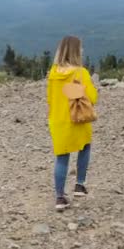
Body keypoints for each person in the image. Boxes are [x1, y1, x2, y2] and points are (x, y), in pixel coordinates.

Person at [47, 36, 98, 211]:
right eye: (80, 48)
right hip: (77, 120)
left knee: (62, 158)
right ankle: (79, 185)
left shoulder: (53, 73)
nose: (82, 51)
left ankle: (60, 198)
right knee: (85, 146)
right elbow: (92, 98)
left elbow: (50, 99)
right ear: (76, 51)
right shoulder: (80, 73)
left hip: (57, 120)